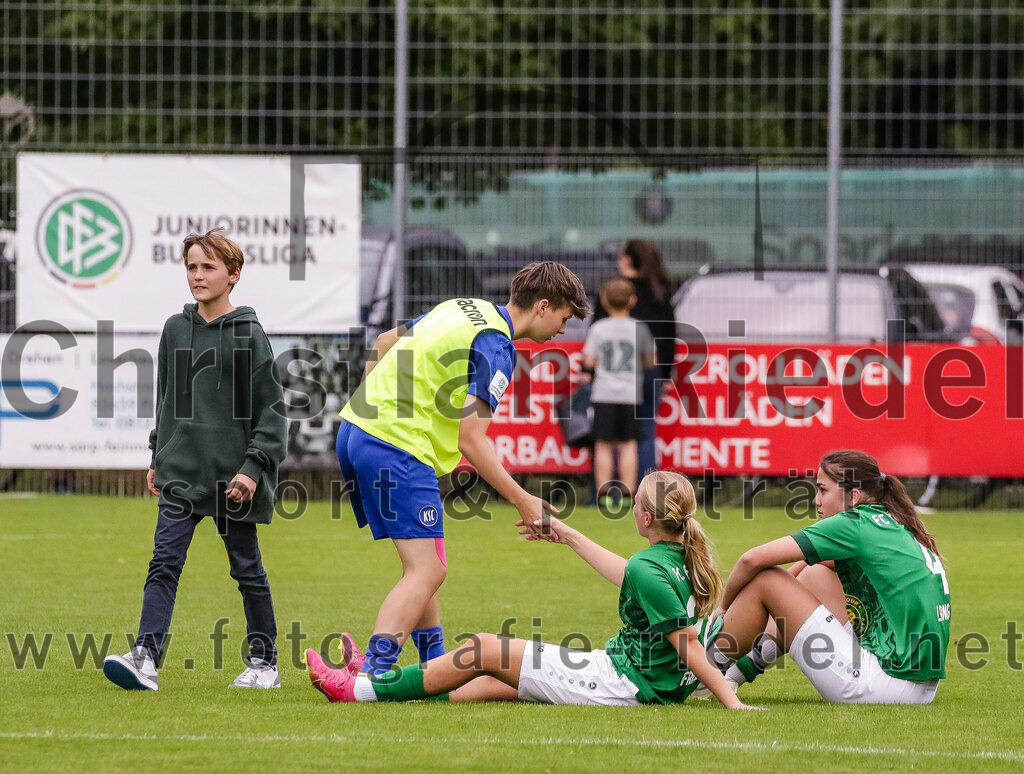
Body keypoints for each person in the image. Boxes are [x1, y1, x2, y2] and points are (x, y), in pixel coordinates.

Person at [305, 471, 762, 709]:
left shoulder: (650, 567)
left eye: (636, 502)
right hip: (629, 677)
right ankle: (376, 682)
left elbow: (688, 646)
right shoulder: (680, 555)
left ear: (645, 517)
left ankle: (358, 691)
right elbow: (629, 574)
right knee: (490, 681)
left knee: (484, 649)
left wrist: (733, 702)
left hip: (622, 684)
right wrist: (567, 533)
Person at [336, 262, 589, 675]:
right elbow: (470, 438)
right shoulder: (497, 346)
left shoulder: (464, 306)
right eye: (564, 318)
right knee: (428, 570)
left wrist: (372, 405)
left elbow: (384, 342)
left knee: (427, 563)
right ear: (543, 306)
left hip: (356, 429)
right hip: (397, 445)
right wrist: (523, 499)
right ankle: (373, 673)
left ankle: (433, 664)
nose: (563, 330)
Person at [102, 228, 288, 691]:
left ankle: (265, 664)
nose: (198, 275)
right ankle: (145, 658)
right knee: (163, 563)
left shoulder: (249, 335)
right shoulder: (174, 329)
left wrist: (252, 469)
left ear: (233, 274)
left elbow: (272, 412)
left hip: (232, 479)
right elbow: (167, 399)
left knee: (247, 571)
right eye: (191, 267)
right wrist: (157, 453)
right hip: (181, 472)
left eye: (208, 267)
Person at [709, 449, 950, 704]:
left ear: (853, 496)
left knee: (766, 579)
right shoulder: (893, 520)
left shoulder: (854, 523)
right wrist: (780, 602)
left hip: (883, 683)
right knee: (814, 575)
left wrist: (724, 607)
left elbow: (751, 559)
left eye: (823, 490)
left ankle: (703, 673)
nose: (816, 500)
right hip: (918, 686)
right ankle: (731, 676)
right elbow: (813, 565)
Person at [591, 240, 676, 477]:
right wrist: (664, 375)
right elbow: (669, 338)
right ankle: (646, 489)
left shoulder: (613, 292)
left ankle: (603, 489)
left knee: (605, 438)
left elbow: (597, 335)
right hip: (650, 372)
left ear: (627, 260)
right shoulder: (659, 293)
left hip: (612, 373)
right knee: (644, 432)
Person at [583, 276, 655, 506]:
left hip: (604, 392)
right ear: (632, 300)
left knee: (603, 444)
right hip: (630, 394)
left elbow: (589, 361)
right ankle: (626, 495)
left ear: (604, 301)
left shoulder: (598, 328)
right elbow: (651, 361)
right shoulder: (640, 328)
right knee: (629, 444)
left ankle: (604, 495)